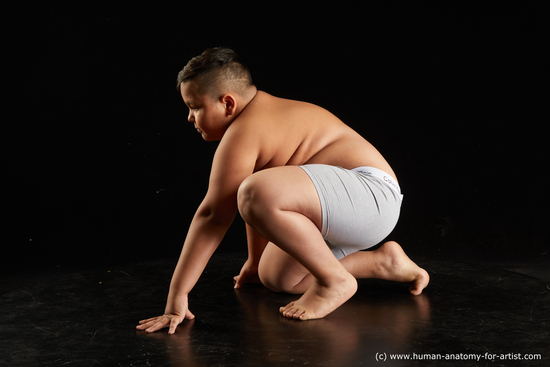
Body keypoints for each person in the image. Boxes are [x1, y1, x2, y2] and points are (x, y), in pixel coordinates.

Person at [137, 47, 429, 334]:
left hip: (372, 193)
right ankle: (382, 262)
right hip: (347, 209)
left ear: (227, 103)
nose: (190, 118)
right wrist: (255, 260)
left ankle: (334, 280)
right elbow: (264, 192)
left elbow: (215, 214)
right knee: (277, 277)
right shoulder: (257, 120)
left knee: (255, 191)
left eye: (195, 107)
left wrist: (178, 296)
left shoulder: (244, 131)